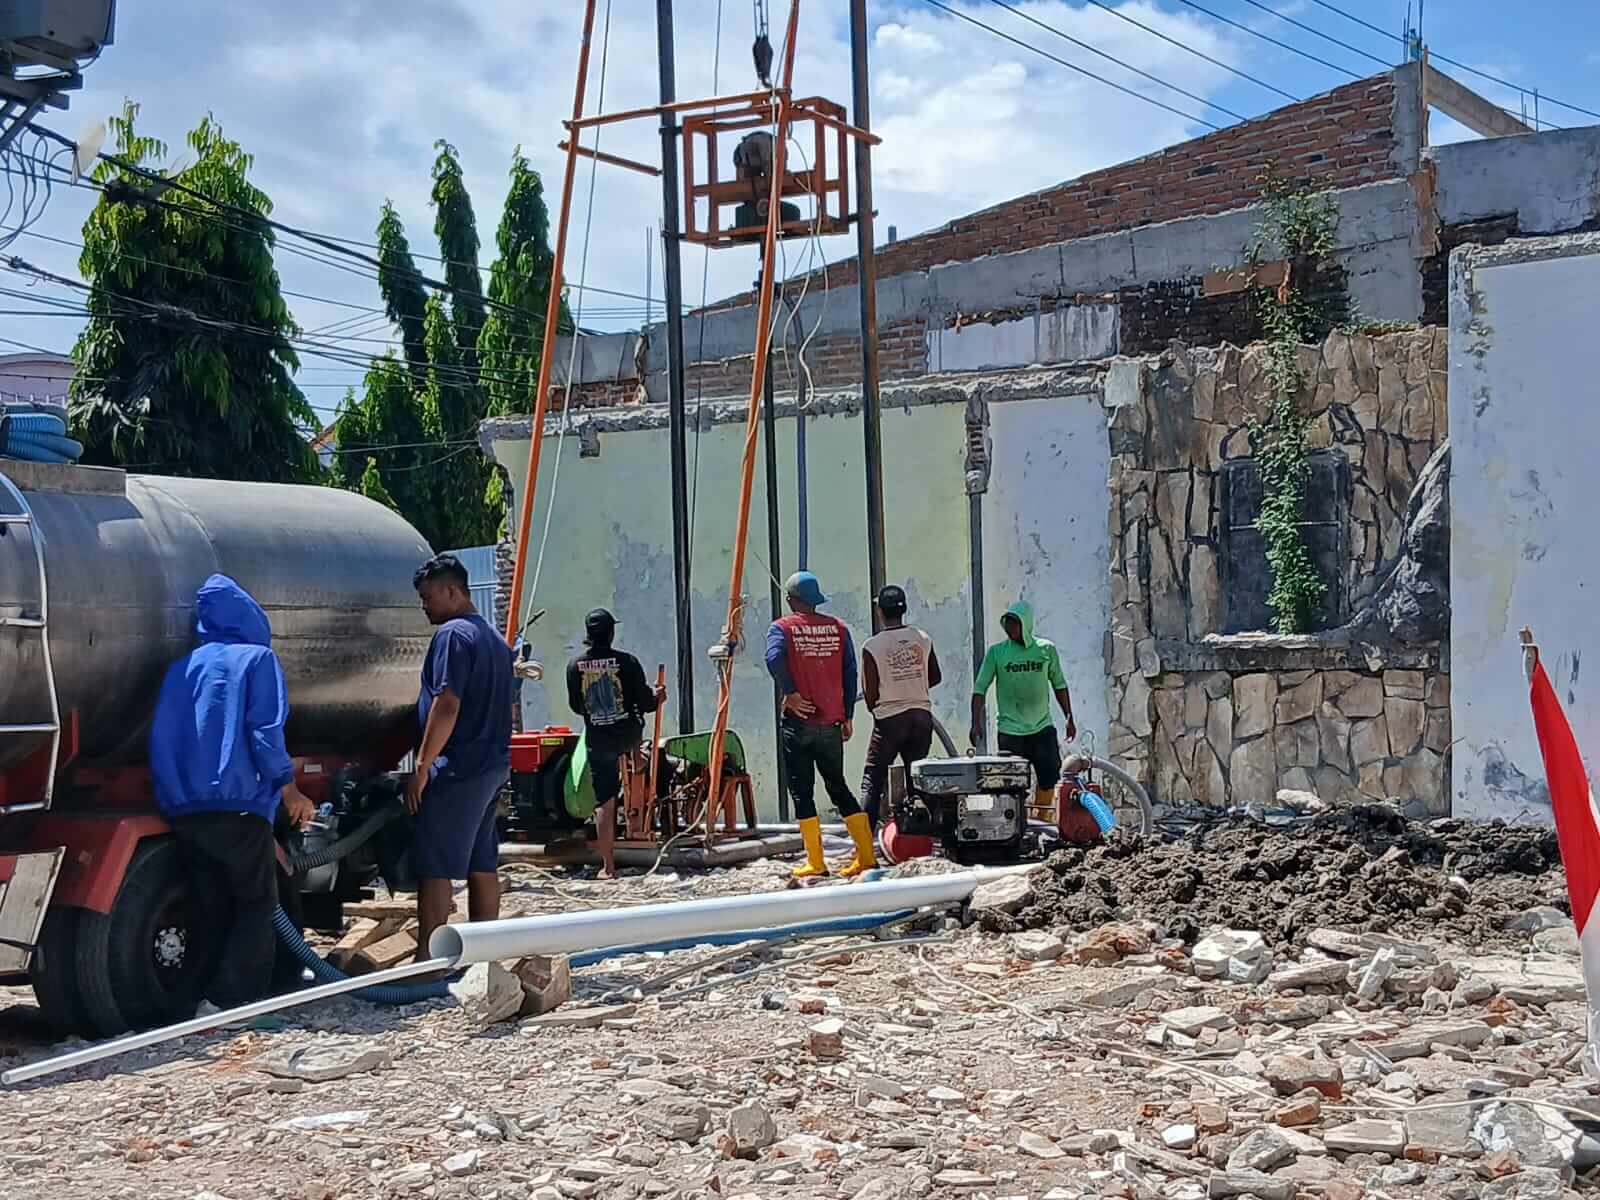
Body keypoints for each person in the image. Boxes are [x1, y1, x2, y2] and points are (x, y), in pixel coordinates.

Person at [149, 574, 315, 1017]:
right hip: (239, 805)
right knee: (256, 904)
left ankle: (197, 1001)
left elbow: (163, 738)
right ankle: (234, 1003)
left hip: (185, 808)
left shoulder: (181, 668)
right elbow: (264, 732)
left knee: (211, 907)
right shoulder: (257, 660)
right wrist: (290, 790)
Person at [406, 553, 514, 963]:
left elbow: (447, 704)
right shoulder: (495, 641)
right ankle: (484, 957)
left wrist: (421, 767)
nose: (424, 606)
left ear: (453, 591)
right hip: (491, 765)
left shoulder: (453, 635)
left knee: (435, 864)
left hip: (458, 767)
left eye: (428, 597)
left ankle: (429, 963)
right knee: (482, 862)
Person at [765, 571, 875, 880]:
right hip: (831, 723)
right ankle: (867, 857)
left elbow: (773, 658)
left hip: (798, 722)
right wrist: (847, 715)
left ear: (791, 600)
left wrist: (791, 693)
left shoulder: (781, 628)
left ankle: (816, 862)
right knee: (838, 786)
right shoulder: (838, 628)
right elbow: (851, 672)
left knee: (802, 791)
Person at [566, 608, 666, 880]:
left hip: (599, 739)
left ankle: (608, 867)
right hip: (628, 733)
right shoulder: (627, 662)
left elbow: (577, 706)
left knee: (605, 802)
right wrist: (658, 696)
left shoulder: (574, 665)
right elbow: (645, 703)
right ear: (611, 632)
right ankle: (637, 757)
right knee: (635, 724)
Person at [970, 600, 1077, 817]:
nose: (1009, 628)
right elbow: (980, 689)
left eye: (1014, 623)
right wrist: (975, 723)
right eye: (1007, 623)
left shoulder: (1046, 649)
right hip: (1010, 731)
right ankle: (1018, 825)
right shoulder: (996, 653)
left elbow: (1059, 684)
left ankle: (1043, 820)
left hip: (1042, 727)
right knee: (1011, 786)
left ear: (1025, 624)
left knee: (1049, 779)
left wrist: (1069, 716)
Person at [860, 584, 942, 831]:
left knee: (872, 779)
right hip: (921, 718)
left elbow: (870, 693)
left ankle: (864, 840)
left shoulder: (872, 646)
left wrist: (880, 705)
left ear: (879, 612)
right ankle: (923, 836)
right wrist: (911, 687)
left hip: (890, 720)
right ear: (904, 609)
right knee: (917, 780)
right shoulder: (922, 638)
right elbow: (935, 676)